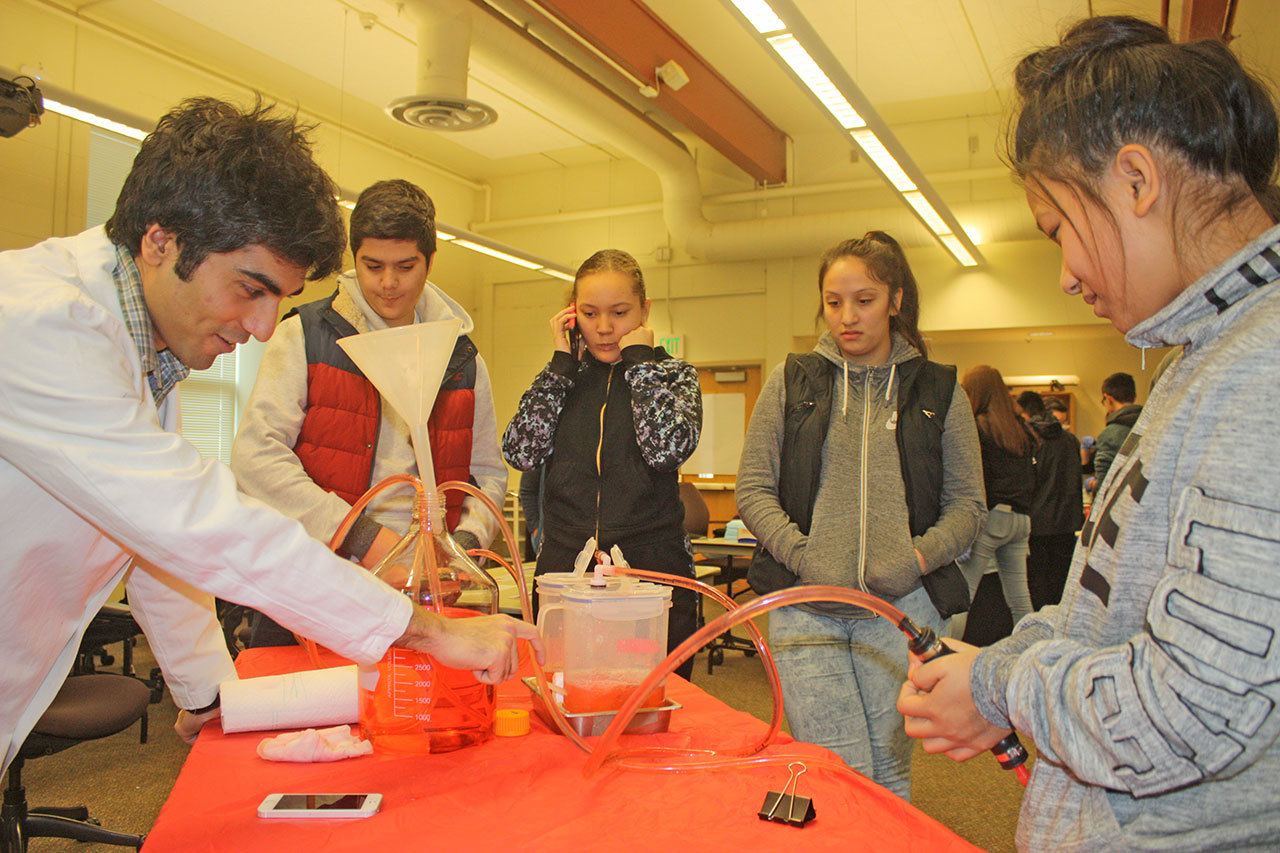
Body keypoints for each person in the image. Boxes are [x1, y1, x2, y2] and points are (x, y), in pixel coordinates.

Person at [0, 98, 539, 773]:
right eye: (250, 289)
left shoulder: (140, 352)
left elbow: (153, 547)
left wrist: (208, 696)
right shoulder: (46, 324)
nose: (260, 327)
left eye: (277, 300)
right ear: (160, 240)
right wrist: (426, 633)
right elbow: (193, 524)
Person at [899, 16, 1280, 849]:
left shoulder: (1262, 370)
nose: (1067, 273)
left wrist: (998, 681)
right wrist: (995, 666)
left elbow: (1187, 713)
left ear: (1136, 180)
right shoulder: (1209, 357)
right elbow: (1106, 617)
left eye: (1060, 229)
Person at [736, 231, 985, 799]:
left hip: (903, 611)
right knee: (836, 769)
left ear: (896, 300)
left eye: (864, 300)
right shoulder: (792, 380)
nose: (846, 317)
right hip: (807, 610)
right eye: (833, 301)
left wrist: (917, 558)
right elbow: (753, 488)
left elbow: (968, 507)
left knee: (889, 769)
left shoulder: (940, 389)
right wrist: (804, 556)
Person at [232, 179, 507, 647]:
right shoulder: (304, 336)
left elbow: (486, 473)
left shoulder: (462, 357)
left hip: (427, 592)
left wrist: (460, 550)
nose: (388, 284)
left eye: (405, 266)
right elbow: (255, 458)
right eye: (372, 266)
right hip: (318, 579)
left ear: (430, 261)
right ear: (353, 259)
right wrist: (361, 536)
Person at [502, 249, 702, 679]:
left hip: (652, 577)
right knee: (567, 699)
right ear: (572, 315)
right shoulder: (561, 378)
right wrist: (560, 368)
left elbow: (666, 450)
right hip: (568, 579)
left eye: (620, 312)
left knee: (655, 708)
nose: (606, 328)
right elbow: (520, 451)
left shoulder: (673, 376)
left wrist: (641, 365)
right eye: (590, 314)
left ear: (645, 311)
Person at [949, 365, 1036, 640]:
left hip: (992, 519)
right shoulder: (1019, 427)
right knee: (1020, 598)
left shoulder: (977, 427)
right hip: (1021, 520)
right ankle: (1032, 650)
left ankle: (944, 653)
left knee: (962, 596)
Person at [1017, 391, 1083, 609]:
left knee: (1036, 587)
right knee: (1061, 586)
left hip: (1036, 525)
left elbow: (1027, 482)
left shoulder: (1030, 439)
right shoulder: (1071, 440)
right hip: (1067, 523)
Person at [1089, 371, 1141, 491]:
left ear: (1108, 398)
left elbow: (1103, 484)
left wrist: (1091, 484)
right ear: (1134, 397)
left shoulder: (1110, 434)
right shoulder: (1151, 425)